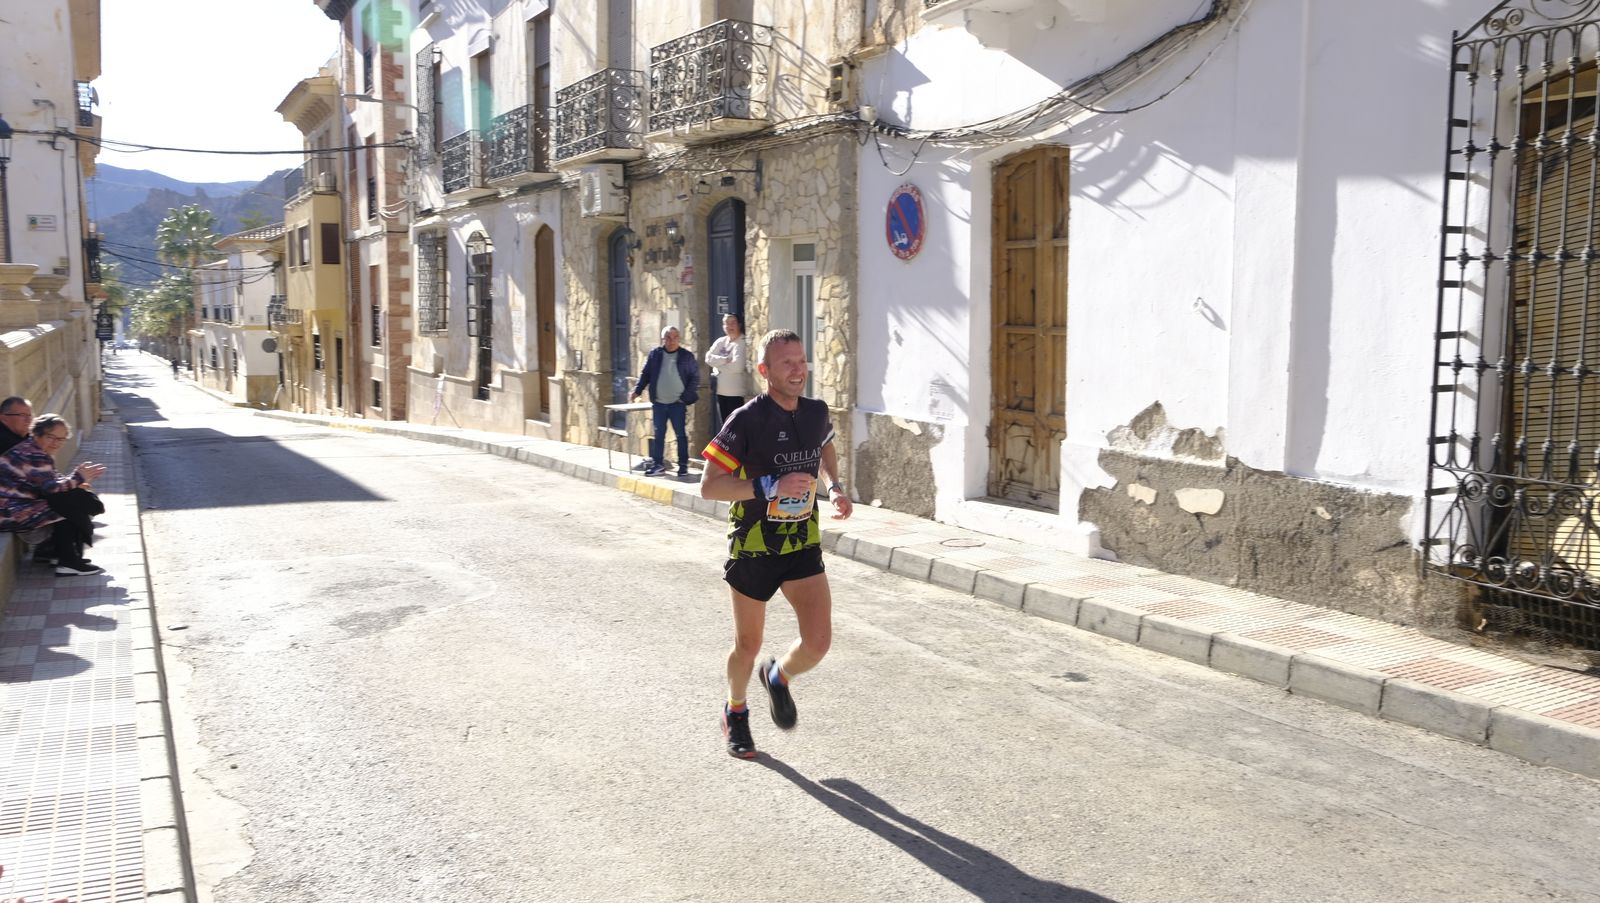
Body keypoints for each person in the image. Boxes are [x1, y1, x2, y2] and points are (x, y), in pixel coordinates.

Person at [700, 329, 853, 759]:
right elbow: (709, 486)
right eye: (787, 362)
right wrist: (770, 484)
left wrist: (835, 486)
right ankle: (736, 710)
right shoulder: (746, 420)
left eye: (801, 360)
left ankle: (778, 676)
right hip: (753, 546)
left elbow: (825, 448)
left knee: (818, 643)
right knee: (747, 644)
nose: (798, 369)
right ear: (765, 371)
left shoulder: (816, 412)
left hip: (801, 542)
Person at [0, 414, 108, 576]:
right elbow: (51, 489)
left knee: (71, 498)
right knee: (69, 504)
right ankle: (69, 562)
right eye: (52, 437)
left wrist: (75, 480)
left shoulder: (33, 448)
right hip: (10, 512)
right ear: (37, 434)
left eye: (61, 439)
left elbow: (51, 480)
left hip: (13, 509)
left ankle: (54, 553)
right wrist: (78, 478)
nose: (56, 443)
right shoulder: (35, 454)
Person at [631, 325, 700, 477]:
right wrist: (637, 390)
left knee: (680, 435)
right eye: (668, 337)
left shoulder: (686, 356)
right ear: (663, 339)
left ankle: (683, 466)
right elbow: (646, 374)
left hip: (678, 403)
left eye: (675, 337)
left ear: (679, 339)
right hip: (660, 403)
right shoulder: (655, 355)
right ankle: (658, 465)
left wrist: (684, 398)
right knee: (659, 435)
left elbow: (695, 378)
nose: (672, 340)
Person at [704, 314, 752, 426]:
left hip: (735, 394)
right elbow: (708, 358)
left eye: (732, 323)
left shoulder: (741, 342)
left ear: (739, 325)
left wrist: (717, 365)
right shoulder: (721, 341)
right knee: (725, 427)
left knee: (735, 427)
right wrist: (726, 360)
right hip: (720, 392)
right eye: (726, 323)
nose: (729, 326)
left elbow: (737, 366)